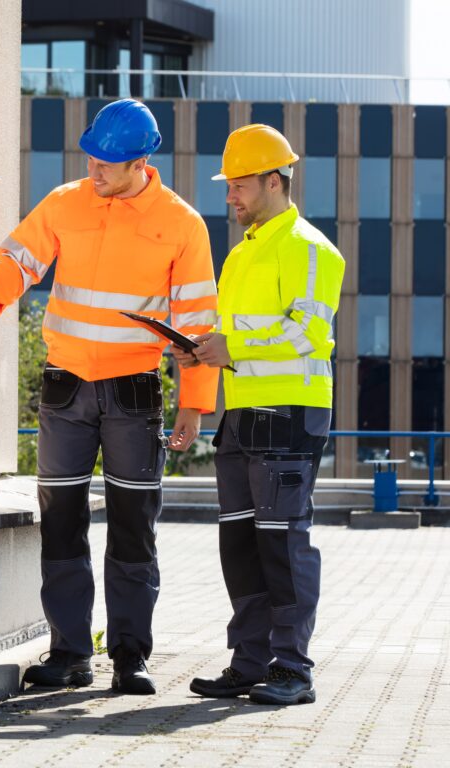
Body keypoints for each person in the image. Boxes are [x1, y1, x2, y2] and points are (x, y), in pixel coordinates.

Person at [0, 99, 218, 694]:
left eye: (109, 163)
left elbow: (199, 324)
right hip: (65, 388)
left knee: (133, 528)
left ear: (142, 161)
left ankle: (130, 658)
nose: (96, 170)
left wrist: (194, 404)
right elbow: (19, 259)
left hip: (134, 393)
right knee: (62, 524)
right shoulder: (65, 202)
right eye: (92, 158)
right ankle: (70, 653)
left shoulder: (181, 224)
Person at [174, 124, 345, 705]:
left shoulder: (312, 249)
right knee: (241, 545)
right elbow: (241, 334)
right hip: (243, 415)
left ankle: (293, 669)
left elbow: (309, 334)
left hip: (290, 417)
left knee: (282, 543)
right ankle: (249, 663)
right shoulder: (244, 253)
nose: (230, 196)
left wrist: (232, 346)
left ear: (275, 181)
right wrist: (202, 347)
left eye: (240, 184)